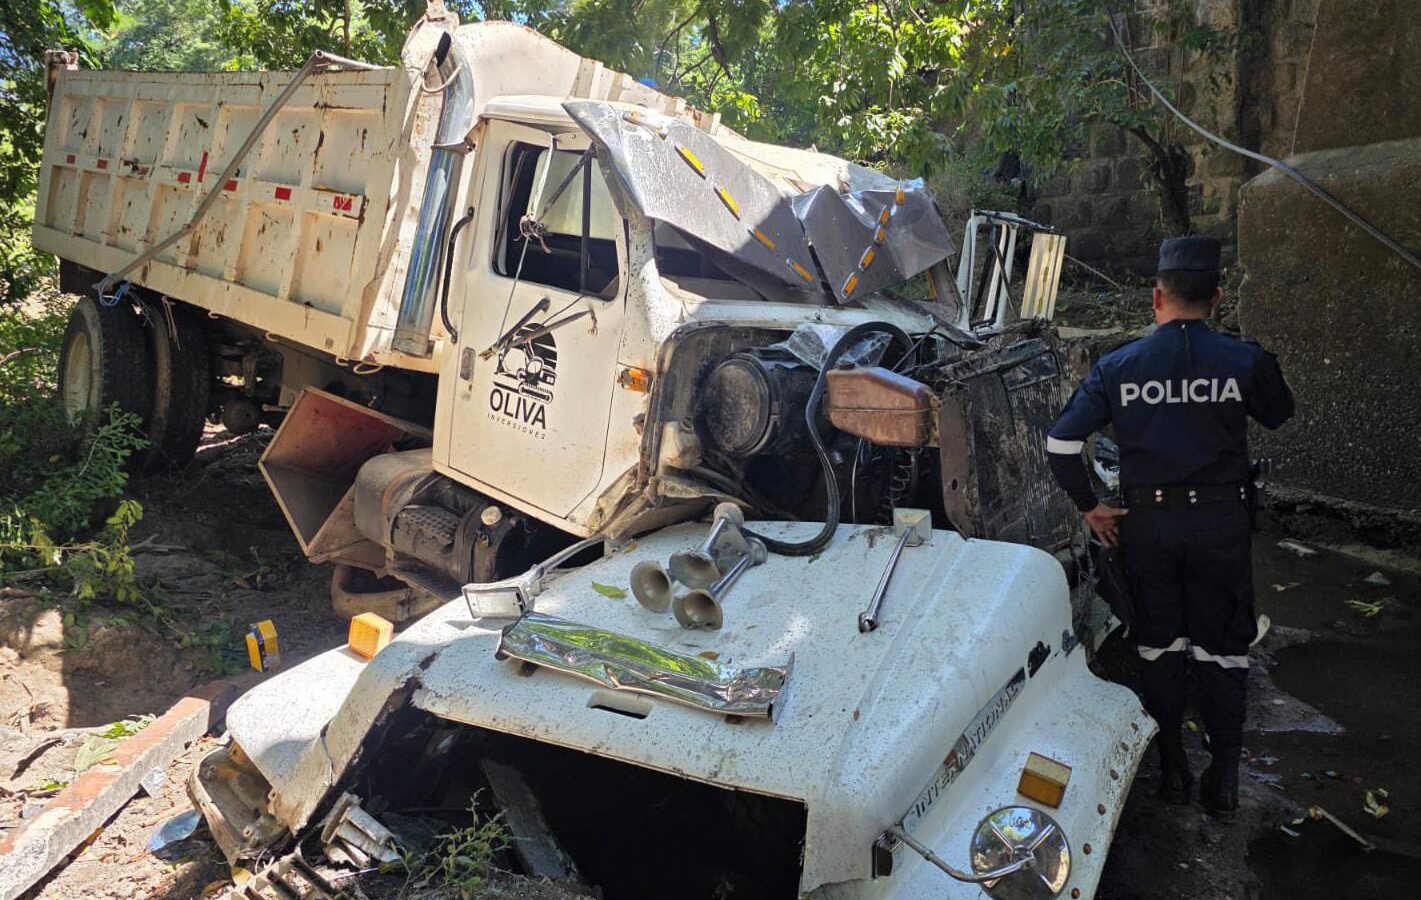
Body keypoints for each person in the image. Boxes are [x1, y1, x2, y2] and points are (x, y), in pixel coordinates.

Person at [1045, 236, 1294, 820]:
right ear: (1217, 296)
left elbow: (1060, 444)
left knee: (1159, 647)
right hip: (1220, 525)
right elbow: (1280, 413)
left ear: (1156, 297)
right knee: (1224, 652)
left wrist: (1091, 506)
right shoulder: (1244, 359)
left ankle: (1174, 772)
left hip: (1148, 526)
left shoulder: (1119, 366)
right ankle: (1224, 778)